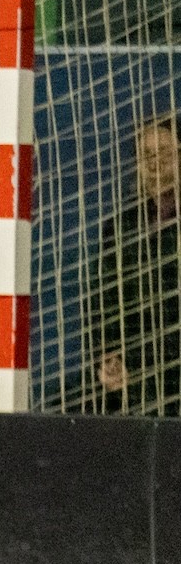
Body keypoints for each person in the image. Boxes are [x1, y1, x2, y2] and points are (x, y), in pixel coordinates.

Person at [90, 117, 179, 416]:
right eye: (147, 154)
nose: (155, 162)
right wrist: (107, 356)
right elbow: (102, 298)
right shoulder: (120, 226)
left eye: (164, 152)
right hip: (135, 371)